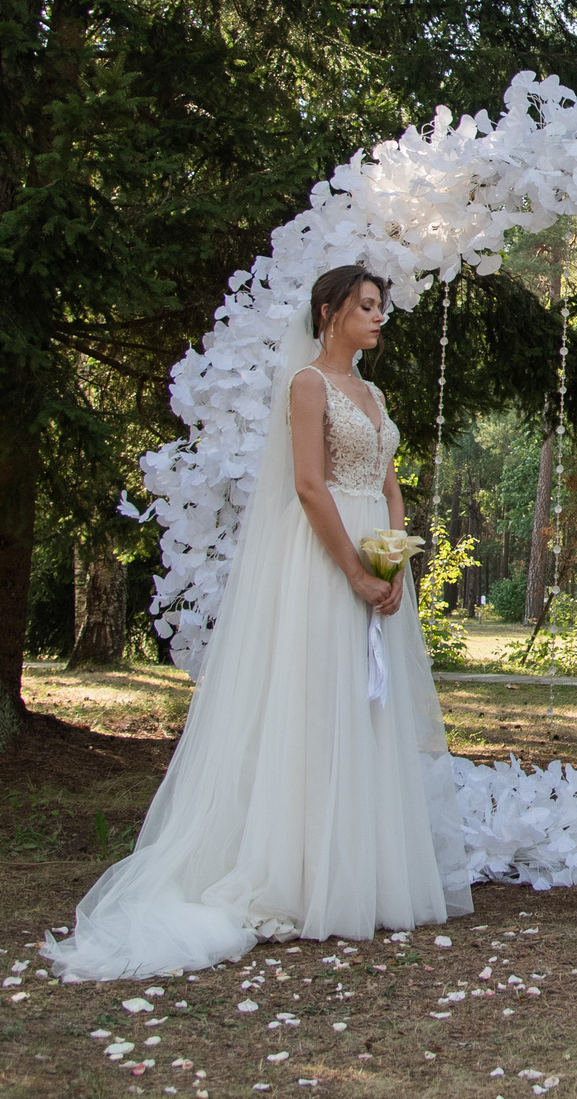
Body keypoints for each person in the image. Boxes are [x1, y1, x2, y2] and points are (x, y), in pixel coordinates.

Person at [44, 266, 471, 979]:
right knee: (319, 702)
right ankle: (301, 874)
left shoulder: (375, 393)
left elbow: (390, 480)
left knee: (368, 708)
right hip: (325, 554)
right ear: (331, 310)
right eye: (367, 307)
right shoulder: (309, 386)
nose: (378, 319)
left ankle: (363, 872)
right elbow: (308, 484)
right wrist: (356, 570)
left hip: (375, 551)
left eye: (382, 309)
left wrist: (395, 557)